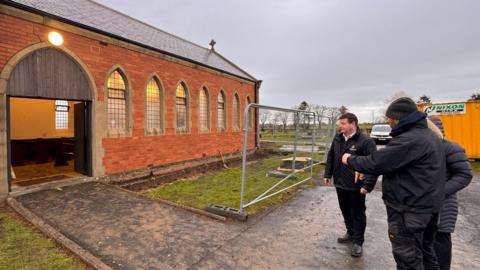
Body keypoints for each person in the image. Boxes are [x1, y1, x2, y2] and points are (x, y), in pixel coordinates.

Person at [341, 97, 446, 269]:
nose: (388, 122)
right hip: (426, 207)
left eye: (389, 118)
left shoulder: (409, 140)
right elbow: (397, 165)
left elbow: (376, 162)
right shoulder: (428, 136)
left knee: (408, 259)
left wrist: (349, 159)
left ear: (398, 118)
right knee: (426, 254)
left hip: (409, 211)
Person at [323, 112, 377, 257]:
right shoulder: (338, 138)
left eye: (343, 123)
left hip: (356, 185)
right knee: (345, 210)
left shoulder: (365, 141)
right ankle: (350, 232)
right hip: (340, 183)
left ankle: (358, 242)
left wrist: (367, 184)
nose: (340, 126)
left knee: (357, 213)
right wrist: (328, 174)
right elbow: (331, 156)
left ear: (353, 124)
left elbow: (374, 164)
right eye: (340, 123)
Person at [427, 116, 472, 270]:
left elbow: (465, 175)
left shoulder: (451, 148)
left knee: (440, 247)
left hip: (444, 206)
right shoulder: (424, 149)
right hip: (425, 207)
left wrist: (439, 192)